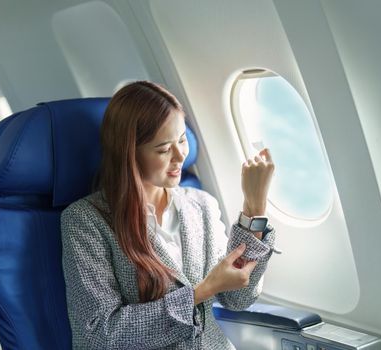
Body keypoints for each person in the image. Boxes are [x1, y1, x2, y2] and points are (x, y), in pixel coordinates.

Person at [60, 81, 276, 349]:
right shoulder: (85, 220)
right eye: (163, 149)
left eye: (183, 139)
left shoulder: (202, 205)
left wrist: (254, 207)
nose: (180, 156)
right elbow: (102, 333)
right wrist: (202, 291)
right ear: (129, 154)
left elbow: (239, 298)